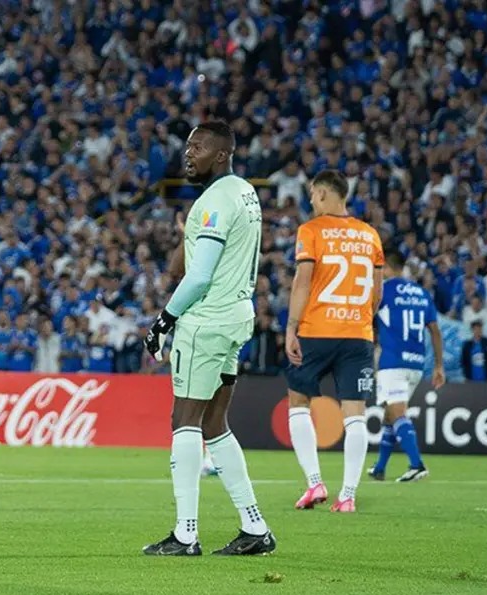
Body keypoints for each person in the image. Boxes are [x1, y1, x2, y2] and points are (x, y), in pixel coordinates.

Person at [142, 121, 274, 556]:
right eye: (187, 146)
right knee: (215, 424)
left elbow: (197, 276)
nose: (188, 154)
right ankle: (255, 528)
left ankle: (186, 534)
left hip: (207, 321)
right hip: (237, 316)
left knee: (184, 420)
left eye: (197, 148)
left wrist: (163, 321)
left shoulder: (213, 202)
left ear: (221, 154)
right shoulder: (245, 192)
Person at [284, 170, 384, 514]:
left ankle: (315, 483)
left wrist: (291, 328)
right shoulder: (370, 235)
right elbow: (377, 292)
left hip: (316, 331)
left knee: (298, 402)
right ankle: (348, 496)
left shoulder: (311, 230)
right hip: (357, 334)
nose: (312, 200)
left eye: (314, 194)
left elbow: (303, 281)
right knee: (355, 414)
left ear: (324, 193)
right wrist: (359, 319)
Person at [369, 252, 445, 483]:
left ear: (386, 267)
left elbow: (366, 317)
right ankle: (380, 467)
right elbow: (435, 330)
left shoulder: (383, 290)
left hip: (393, 361)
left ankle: (416, 464)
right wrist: (439, 365)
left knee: (397, 413)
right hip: (416, 363)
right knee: (390, 414)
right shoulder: (421, 293)